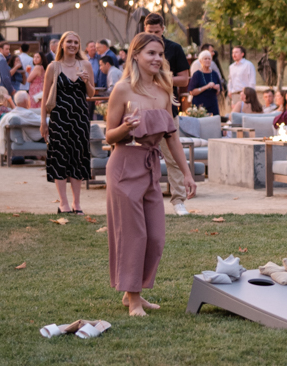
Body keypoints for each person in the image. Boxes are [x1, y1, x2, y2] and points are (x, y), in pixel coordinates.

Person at [105, 31, 196, 317]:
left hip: (150, 168)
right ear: (136, 56)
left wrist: (187, 173)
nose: (157, 59)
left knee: (155, 237)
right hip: (124, 168)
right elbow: (110, 135)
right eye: (151, 54)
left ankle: (136, 291)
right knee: (134, 235)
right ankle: (132, 298)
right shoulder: (122, 90)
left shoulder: (164, 91)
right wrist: (126, 128)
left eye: (160, 54)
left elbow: (172, 137)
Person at [141, 13, 192, 217]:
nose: (153, 35)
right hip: (144, 110)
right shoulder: (138, 49)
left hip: (168, 111)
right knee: (142, 158)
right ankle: (143, 199)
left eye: (156, 32)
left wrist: (163, 78)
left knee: (172, 157)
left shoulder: (174, 49)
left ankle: (178, 201)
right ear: (144, 29)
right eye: (149, 32)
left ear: (163, 29)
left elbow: (185, 80)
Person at [40, 30, 95, 214]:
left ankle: (77, 203)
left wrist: (86, 81)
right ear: (62, 45)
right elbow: (45, 97)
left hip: (80, 119)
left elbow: (91, 94)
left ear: (79, 46)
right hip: (58, 119)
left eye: (76, 42)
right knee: (59, 157)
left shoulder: (85, 64)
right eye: (69, 42)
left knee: (78, 158)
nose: (72, 45)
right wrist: (43, 122)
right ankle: (63, 203)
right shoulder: (53, 67)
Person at [188, 49, 221, 116]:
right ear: (200, 61)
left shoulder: (214, 74)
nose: (207, 61)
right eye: (205, 59)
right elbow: (192, 92)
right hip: (200, 106)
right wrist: (206, 87)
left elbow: (218, 92)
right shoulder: (197, 74)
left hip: (213, 105)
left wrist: (217, 88)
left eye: (209, 59)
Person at [227, 45, 256, 109]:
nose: (234, 54)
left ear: (242, 54)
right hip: (234, 94)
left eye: (236, 52)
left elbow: (252, 81)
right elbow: (230, 80)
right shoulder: (231, 67)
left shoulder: (248, 65)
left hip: (245, 94)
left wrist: (250, 94)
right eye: (233, 52)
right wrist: (230, 90)